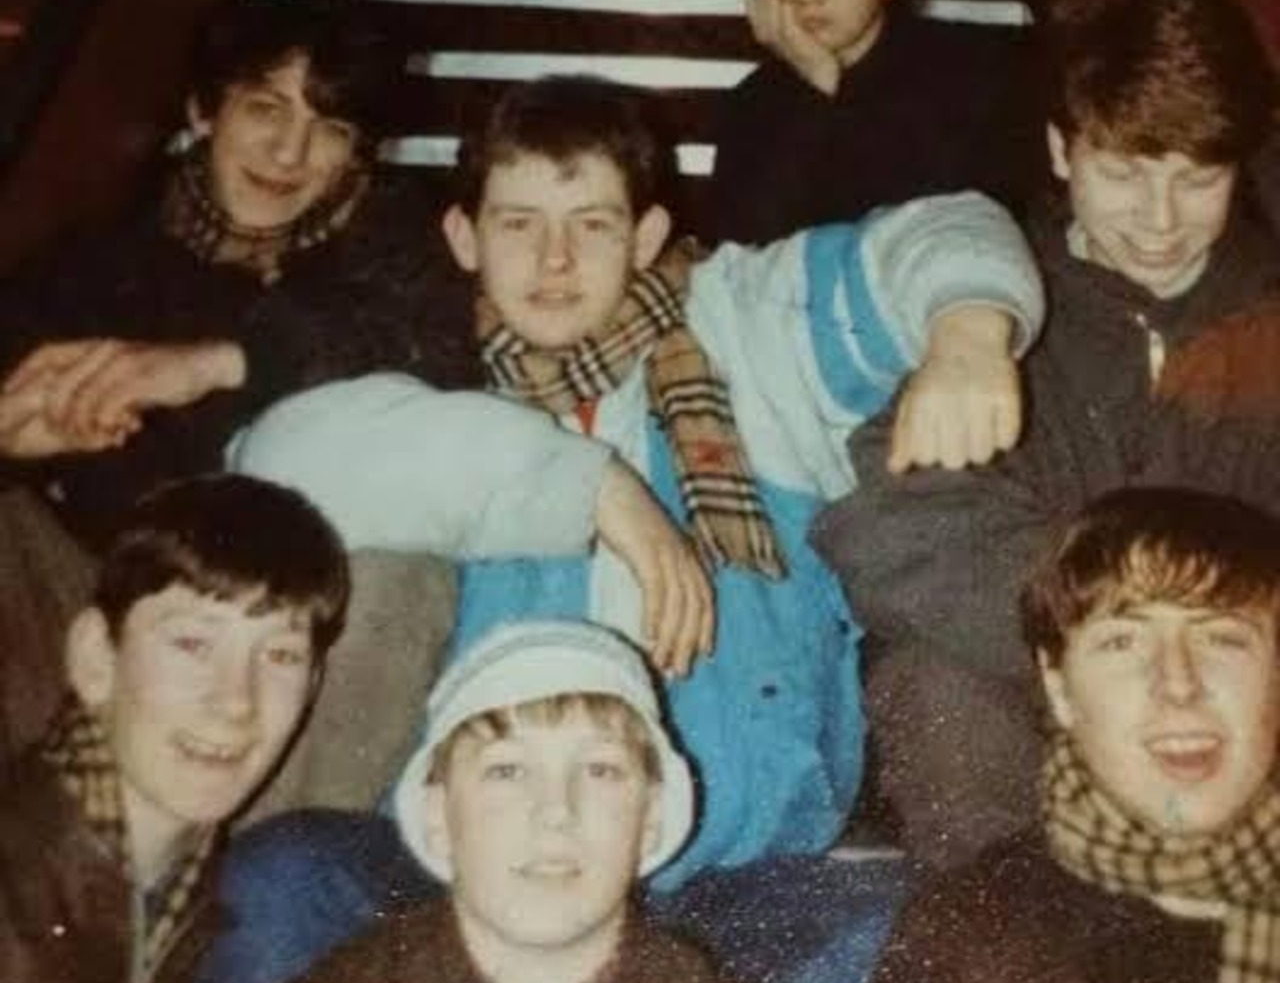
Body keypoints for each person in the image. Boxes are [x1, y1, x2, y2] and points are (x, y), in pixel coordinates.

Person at [232, 70, 1044, 885]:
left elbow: (950, 225)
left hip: (745, 865)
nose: (554, 260)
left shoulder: (746, 321)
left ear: (647, 235)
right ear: (464, 237)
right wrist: (600, 490)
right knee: (284, 884)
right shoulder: (429, 354)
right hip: (489, 876)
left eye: (592, 223)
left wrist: (968, 336)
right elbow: (272, 459)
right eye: (519, 223)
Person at [815, 0, 1280, 867]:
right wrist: (1106, 640)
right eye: (1125, 173)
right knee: (933, 683)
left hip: (1237, 687)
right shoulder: (988, 303)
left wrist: (1199, 645)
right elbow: (884, 524)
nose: (1160, 220)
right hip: (1046, 674)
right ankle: (1007, 926)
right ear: (1063, 152)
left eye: (1197, 179)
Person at [0, 0, 475, 770]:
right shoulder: (100, 256)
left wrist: (213, 363)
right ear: (203, 110)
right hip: (109, 602)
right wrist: (17, 441)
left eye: (330, 129)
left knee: (406, 577)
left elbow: (438, 355)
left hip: (291, 621)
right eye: (265, 108)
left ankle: (271, 849)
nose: (289, 153)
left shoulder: (398, 241)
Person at [223, 620, 824, 983]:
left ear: (651, 821)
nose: (555, 810)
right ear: (437, 818)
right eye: (507, 771)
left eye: (600, 770)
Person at [840, 487, 1280, 983]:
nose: (1179, 683)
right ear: (1060, 686)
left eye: (1222, 638)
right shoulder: (979, 940)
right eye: (1123, 641)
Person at [0, 473, 350, 983]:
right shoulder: (20, 886)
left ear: (311, 690)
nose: (236, 700)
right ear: (96, 658)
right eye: (193, 643)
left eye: (280, 655)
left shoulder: (180, 892)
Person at [708, 0, 1039, 244]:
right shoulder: (752, 102)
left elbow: (940, 232)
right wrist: (813, 88)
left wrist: (826, 97)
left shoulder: (975, 74)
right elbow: (745, 250)